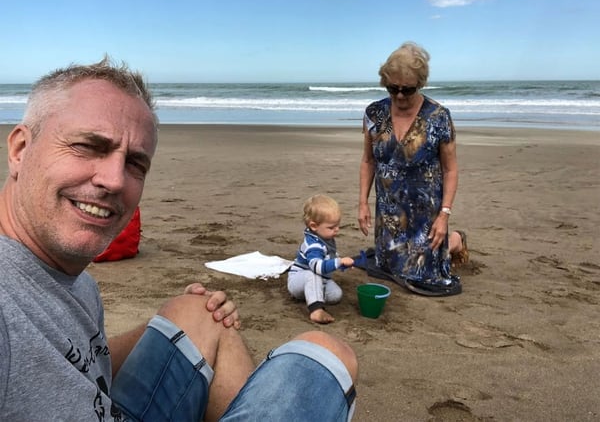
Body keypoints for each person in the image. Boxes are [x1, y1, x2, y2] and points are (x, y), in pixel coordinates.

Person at [0, 57, 358, 421]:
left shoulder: (70, 281)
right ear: (20, 149)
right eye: (88, 146)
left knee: (199, 312)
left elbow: (74, 363)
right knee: (326, 355)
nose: (114, 180)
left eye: (135, 164)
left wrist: (160, 324)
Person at [358, 41, 469, 297]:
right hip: (389, 214)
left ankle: (456, 240)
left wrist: (444, 214)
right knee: (388, 266)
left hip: (425, 215)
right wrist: (362, 202)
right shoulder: (376, 114)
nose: (398, 96)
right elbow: (368, 160)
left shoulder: (438, 117)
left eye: (407, 90)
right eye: (392, 88)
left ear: (420, 84)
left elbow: (450, 170)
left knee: (424, 275)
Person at [288, 195, 355, 324]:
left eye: (337, 225)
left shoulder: (325, 238)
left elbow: (330, 256)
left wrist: (341, 264)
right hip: (298, 280)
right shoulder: (313, 245)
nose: (337, 230)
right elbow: (316, 266)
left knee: (336, 295)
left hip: (321, 279)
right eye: (331, 227)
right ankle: (316, 310)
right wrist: (339, 262)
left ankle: (311, 294)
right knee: (311, 275)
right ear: (314, 226)